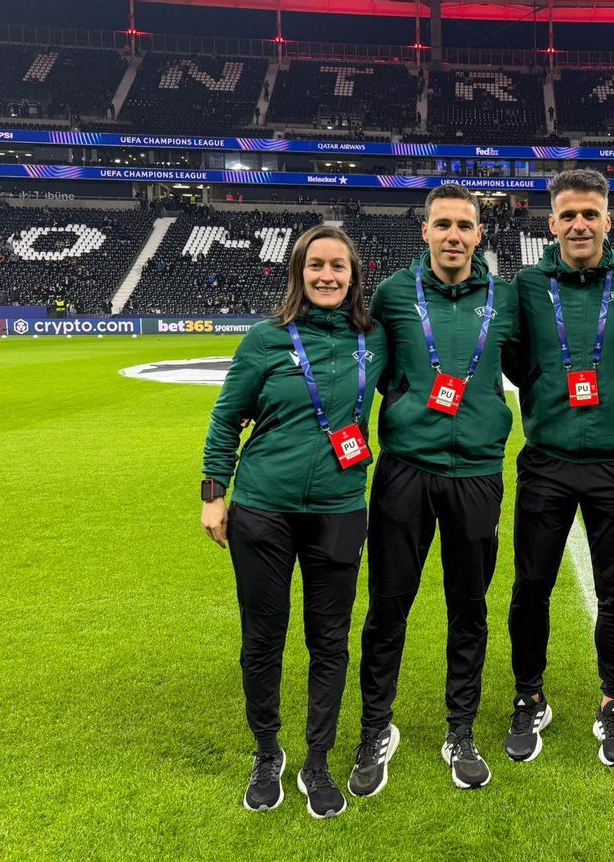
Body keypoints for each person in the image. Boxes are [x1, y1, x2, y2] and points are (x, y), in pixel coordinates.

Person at [201, 225, 386, 819]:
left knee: (329, 641)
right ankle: (265, 753)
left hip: (338, 509)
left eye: (339, 266)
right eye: (316, 265)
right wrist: (213, 494)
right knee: (262, 638)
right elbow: (227, 419)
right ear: (298, 273)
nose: (327, 276)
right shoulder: (265, 340)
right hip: (263, 510)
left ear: (355, 276)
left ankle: (317, 760)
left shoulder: (375, 340)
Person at [350, 184, 518, 796]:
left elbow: (530, 365)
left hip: (476, 473)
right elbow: (367, 371)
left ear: (480, 234)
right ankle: (376, 728)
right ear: (425, 231)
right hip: (406, 473)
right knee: (388, 607)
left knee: (468, 609)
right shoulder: (394, 294)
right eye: (442, 224)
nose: (453, 235)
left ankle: (461, 730)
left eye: (464, 226)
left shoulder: (508, 298)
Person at [502, 169, 614, 766]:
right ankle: (529, 695)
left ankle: (613, 699)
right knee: (531, 587)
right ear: (551, 222)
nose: (579, 224)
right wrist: (549, 387)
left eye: (590, 214)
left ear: (607, 221)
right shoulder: (524, 285)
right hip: (545, 460)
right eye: (568, 214)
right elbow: (515, 361)